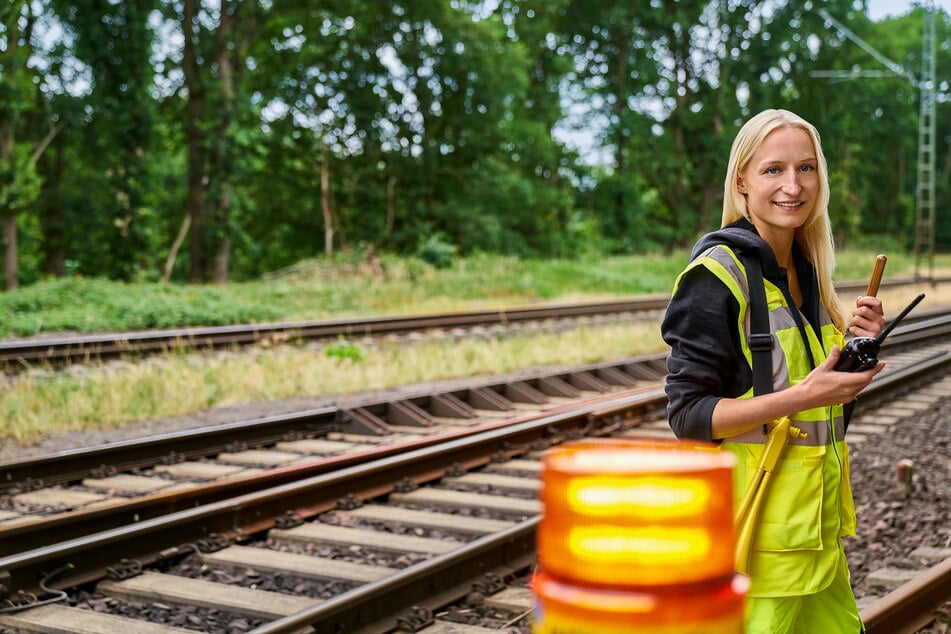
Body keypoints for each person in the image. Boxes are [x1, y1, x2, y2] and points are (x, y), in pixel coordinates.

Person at [661, 108, 885, 633]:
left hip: (816, 542)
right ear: (741, 181)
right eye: (773, 170)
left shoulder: (804, 272)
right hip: (754, 549)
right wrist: (806, 395)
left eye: (806, 169)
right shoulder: (715, 278)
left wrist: (855, 349)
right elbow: (689, 417)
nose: (793, 185)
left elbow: (817, 405)